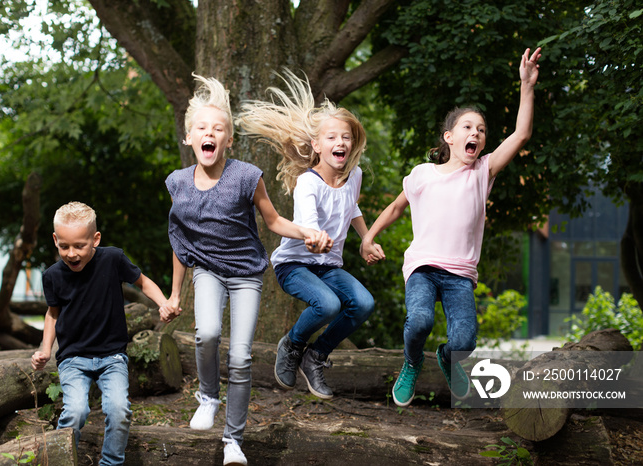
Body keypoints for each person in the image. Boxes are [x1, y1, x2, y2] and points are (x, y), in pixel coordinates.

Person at [160, 74, 331, 466]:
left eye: (218, 129)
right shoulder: (177, 183)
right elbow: (178, 240)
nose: (210, 133)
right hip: (206, 270)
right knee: (206, 333)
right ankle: (207, 397)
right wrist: (173, 293)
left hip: (246, 276)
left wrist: (305, 231)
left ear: (229, 140)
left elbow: (273, 221)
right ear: (189, 138)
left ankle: (232, 441)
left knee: (239, 358)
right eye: (202, 128)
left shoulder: (246, 175)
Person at [360, 48, 542, 407]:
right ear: (449, 137)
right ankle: (412, 362)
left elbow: (521, 134)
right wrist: (368, 236)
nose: (476, 133)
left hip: (460, 274)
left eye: (482, 130)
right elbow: (397, 206)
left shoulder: (482, 172)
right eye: (468, 127)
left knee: (465, 340)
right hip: (423, 268)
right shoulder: (423, 175)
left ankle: (446, 358)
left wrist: (526, 86)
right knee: (420, 322)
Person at [237, 70, 380, 401]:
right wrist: (314, 237)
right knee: (328, 304)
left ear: (353, 143)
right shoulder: (308, 183)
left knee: (363, 303)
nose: (339, 143)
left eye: (345, 137)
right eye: (331, 138)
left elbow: (351, 209)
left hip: (328, 266)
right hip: (295, 264)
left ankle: (316, 356)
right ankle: (292, 344)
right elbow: (309, 223)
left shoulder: (353, 176)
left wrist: (366, 238)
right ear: (317, 145)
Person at [31, 201, 169, 466]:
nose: (71, 254)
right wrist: (45, 349)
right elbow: (53, 313)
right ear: (55, 240)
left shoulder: (112, 259)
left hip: (112, 356)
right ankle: (60, 459)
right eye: (64, 246)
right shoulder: (52, 275)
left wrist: (163, 303)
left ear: (95, 239)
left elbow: (142, 281)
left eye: (79, 246)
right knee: (76, 411)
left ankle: (110, 463)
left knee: (119, 410)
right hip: (73, 358)